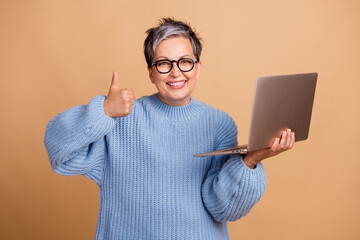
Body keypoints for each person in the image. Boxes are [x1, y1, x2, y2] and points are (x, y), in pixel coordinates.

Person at [44, 18, 295, 240]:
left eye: (185, 61)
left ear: (198, 67)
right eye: (163, 63)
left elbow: (223, 208)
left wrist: (251, 160)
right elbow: (60, 153)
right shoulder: (122, 117)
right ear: (151, 73)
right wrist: (104, 111)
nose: (176, 72)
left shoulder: (220, 124)